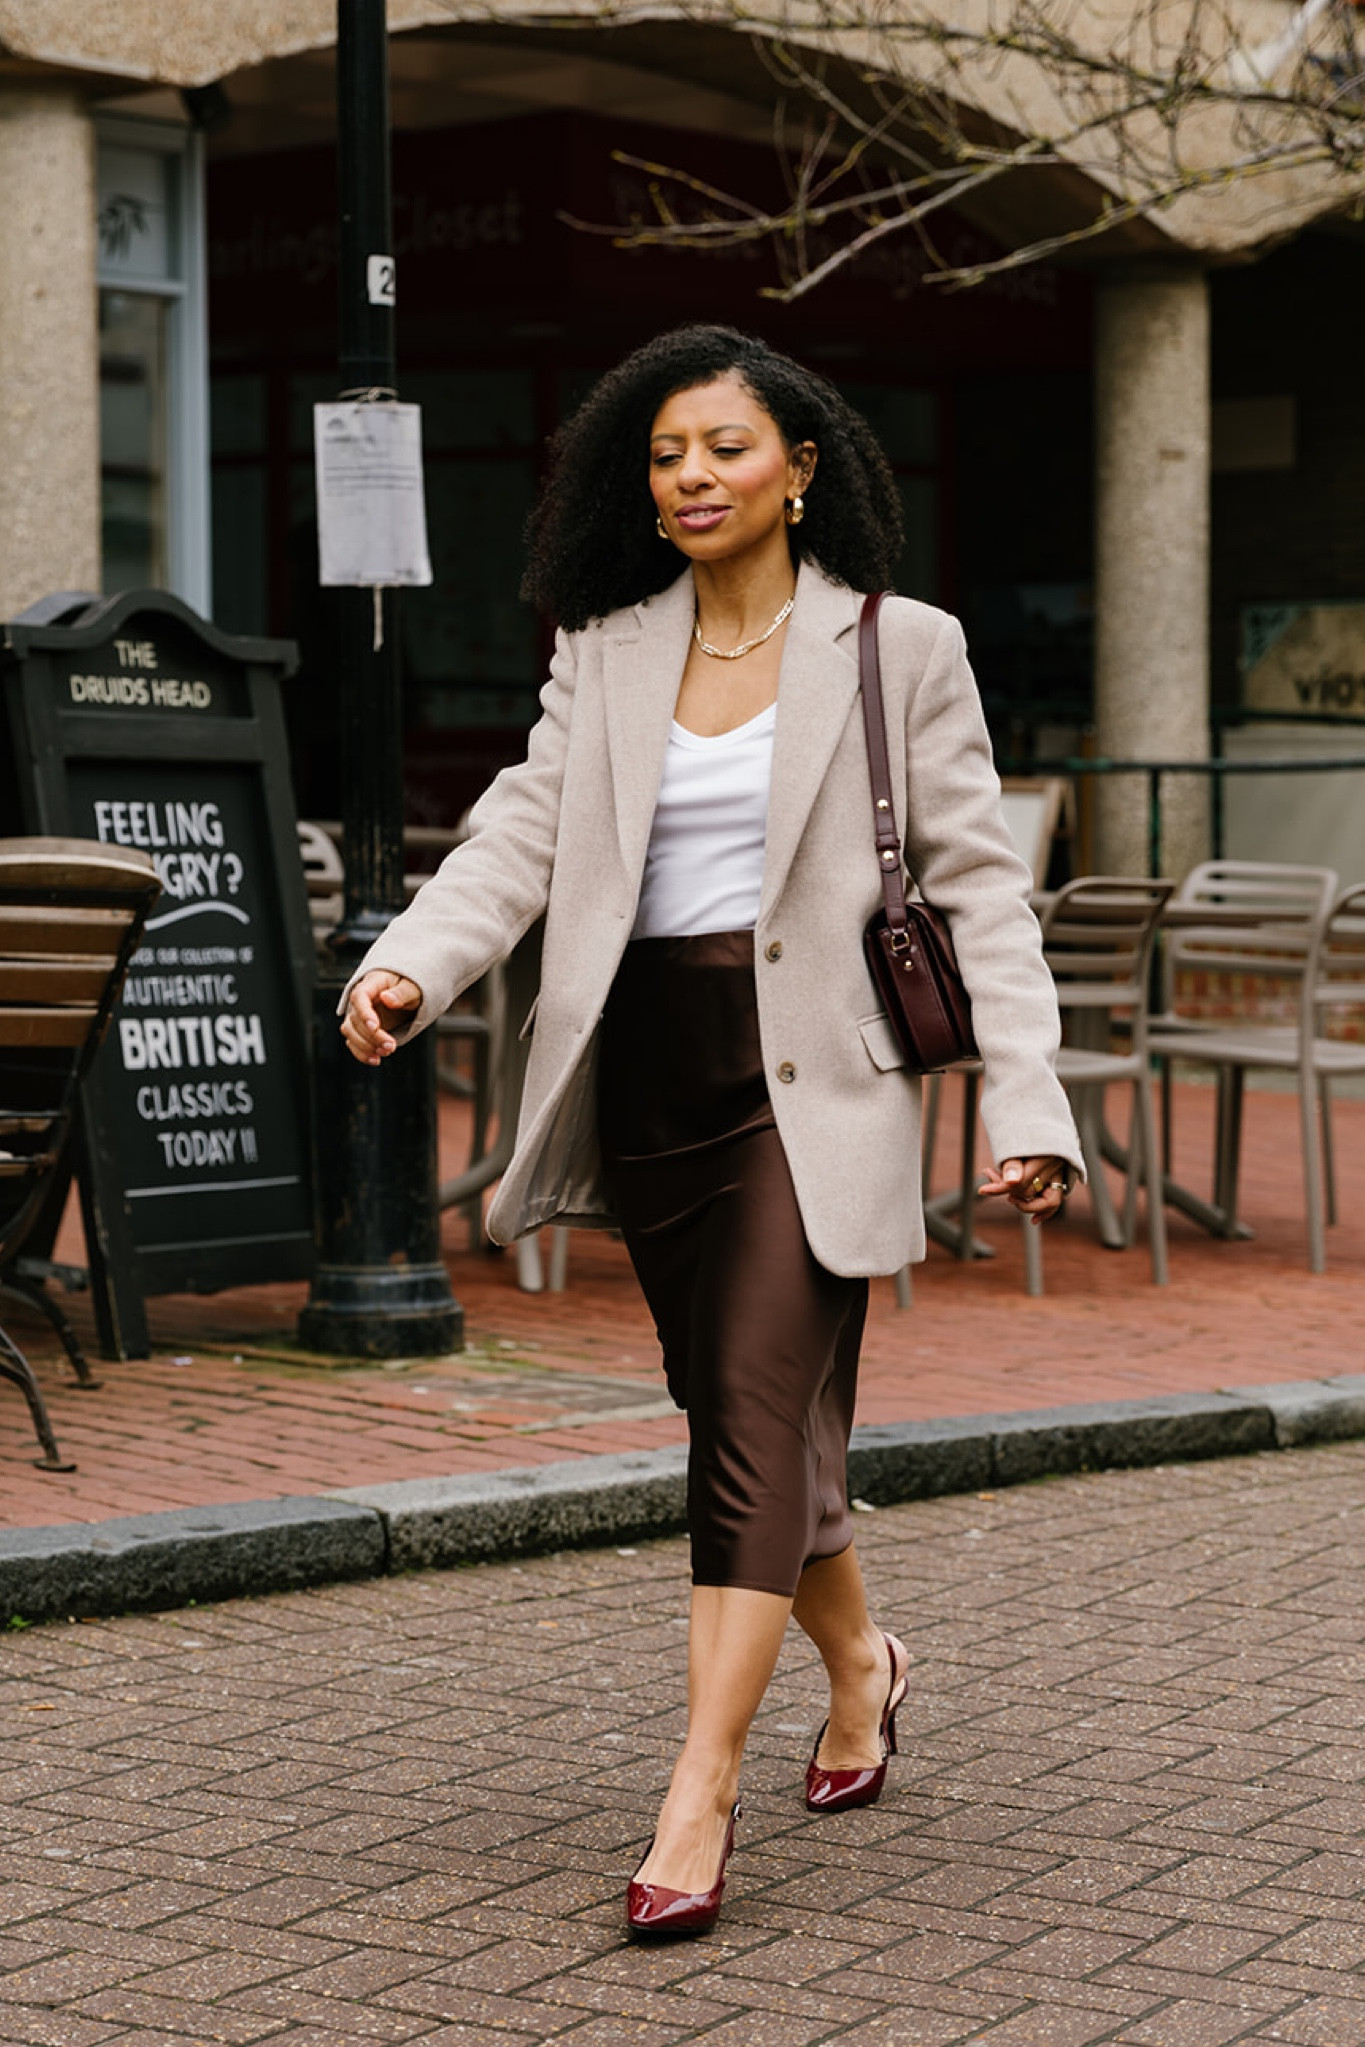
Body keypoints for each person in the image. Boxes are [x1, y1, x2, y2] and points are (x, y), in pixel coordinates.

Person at [340, 324, 1083, 1941]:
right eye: (666, 454)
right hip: (651, 1077)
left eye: (725, 450)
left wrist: (1028, 1099)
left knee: (746, 1418)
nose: (690, 476)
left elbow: (978, 891)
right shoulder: (604, 644)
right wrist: (407, 960)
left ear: (801, 471)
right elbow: (520, 831)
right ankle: (864, 1667)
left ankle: (697, 1789)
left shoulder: (901, 648)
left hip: (814, 1078)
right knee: (750, 1420)